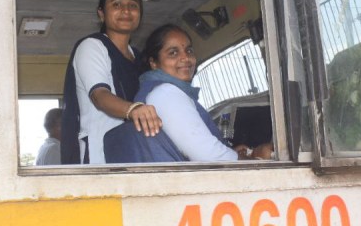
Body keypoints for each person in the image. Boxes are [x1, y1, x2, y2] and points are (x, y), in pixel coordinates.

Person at [105, 24, 273, 163]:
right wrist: (255, 158)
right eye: (173, 52)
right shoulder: (165, 93)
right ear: (153, 63)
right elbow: (209, 156)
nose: (185, 58)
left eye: (189, 51)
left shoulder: (156, 92)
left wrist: (233, 152)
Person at [61, 0, 162, 164]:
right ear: (101, 13)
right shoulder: (92, 46)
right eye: (116, 4)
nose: (125, 10)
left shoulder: (139, 57)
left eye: (133, 5)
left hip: (134, 152)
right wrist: (133, 109)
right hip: (99, 155)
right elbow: (100, 96)